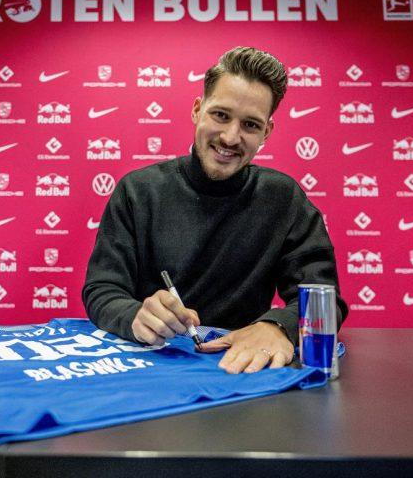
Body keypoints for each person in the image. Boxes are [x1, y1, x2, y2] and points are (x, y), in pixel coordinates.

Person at [82, 46, 347, 374]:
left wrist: (278, 326)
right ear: (198, 110)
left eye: (250, 125)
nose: (231, 137)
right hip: (147, 370)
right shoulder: (137, 191)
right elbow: (102, 289)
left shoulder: (284, 198)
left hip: (243, 373)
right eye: (221, 115)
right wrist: (134, 315)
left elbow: (325, 300)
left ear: (266, 132)